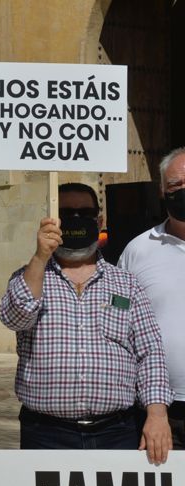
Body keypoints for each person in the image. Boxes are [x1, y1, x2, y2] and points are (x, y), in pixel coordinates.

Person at [0, 183, 172, 462]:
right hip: (46, 435)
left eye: (85, 212)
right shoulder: (29, 278)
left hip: (117, 432)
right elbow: (15, 317)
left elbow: (150, 352)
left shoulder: (126, 284)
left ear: (99, 221)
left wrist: (157, 414)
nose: (76, 219)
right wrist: (40, 256)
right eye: (66, 213)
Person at [120, 147, 185, 450]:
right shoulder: (138, 251)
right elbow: (118, 312)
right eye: (175, 186)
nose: (183, 191)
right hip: (160, 410)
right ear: (162, 191)